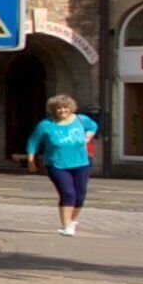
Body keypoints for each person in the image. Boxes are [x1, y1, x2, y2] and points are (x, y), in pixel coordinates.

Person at [24, 94, 100, 234]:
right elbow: (33, 142)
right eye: (58, 108)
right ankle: (66, 226)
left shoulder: (81, 120)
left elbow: (94, 126)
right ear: (53, 110)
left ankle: (70, 221)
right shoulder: (46, 125)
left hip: (81, 163)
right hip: (56, 164)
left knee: (80, 195)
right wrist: (31, 160)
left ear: (71, 108)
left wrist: (88, 135)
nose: (62, 111)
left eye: (65, 108)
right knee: (68, 193)